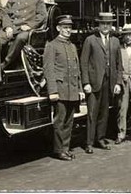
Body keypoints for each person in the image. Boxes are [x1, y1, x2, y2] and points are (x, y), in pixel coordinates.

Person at [80, 12, 123, 154]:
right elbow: (84, 63)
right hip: (93, 83)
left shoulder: (115, 41)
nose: (106, 26)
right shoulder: (90, 40)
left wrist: (117, 83)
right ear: (98, 25)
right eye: (103, 23)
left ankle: (100, 139)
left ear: (111, 26)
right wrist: (85, 82)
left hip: (109, 82)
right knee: (92, 113)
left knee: (105, 112)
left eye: (108, 24)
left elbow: (119, 64)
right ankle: (89, 143)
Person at [43, 15, 84, 161]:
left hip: (72, 90)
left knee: (69, 121)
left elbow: (77, 70)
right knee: (59, 121)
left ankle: (65, 149)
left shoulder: (72, 46)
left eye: (70, 28)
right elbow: (49, 70)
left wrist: (80, 89)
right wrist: (52, 91)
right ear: (58, 28)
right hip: (60, 89)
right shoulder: (52, 46)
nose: (68, 30)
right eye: (65, 28)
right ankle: (58, 150)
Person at [0, 0, 47, 70]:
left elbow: (42, 15)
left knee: (21, 38)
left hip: (26, 29)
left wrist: (29, 26)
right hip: (12, 28)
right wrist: (8, 27)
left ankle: (5, 63)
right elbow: (5, 13)